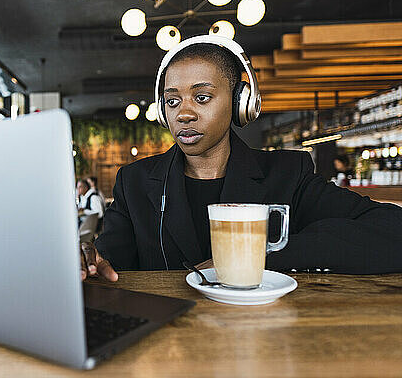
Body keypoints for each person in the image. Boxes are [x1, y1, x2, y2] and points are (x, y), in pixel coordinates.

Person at [80, 35, 402, 282]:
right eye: (173, 101)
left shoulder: (288, 175)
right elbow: (111, 257)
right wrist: (92, 260)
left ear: (239, 102)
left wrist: (262, 256)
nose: (184, 114)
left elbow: (392, 231)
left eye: (202, 97)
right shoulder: (134, 182)